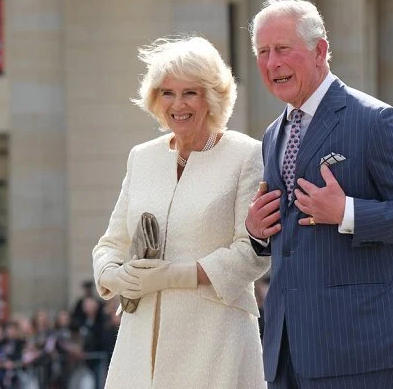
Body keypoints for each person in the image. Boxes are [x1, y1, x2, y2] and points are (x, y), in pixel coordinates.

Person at [245, 0, 393, 388]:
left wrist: (347, 212)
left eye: (283, 49)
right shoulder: (272, 134)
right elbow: (291, 236)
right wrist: (256, 231)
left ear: (320, 51)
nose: (272, 63)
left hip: (358, 347)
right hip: (285, 349)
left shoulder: (376, 121)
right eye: (263, 52)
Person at [92, 35, 270, 388]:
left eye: (190, 92)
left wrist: (176, 275)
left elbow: (253, 252)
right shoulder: (141, 157)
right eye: (167, 93)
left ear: (211, 97)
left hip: (216, 337)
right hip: (141, 341)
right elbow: (110, 244)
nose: (178, 104)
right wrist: (114, 276)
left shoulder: (246, 155)